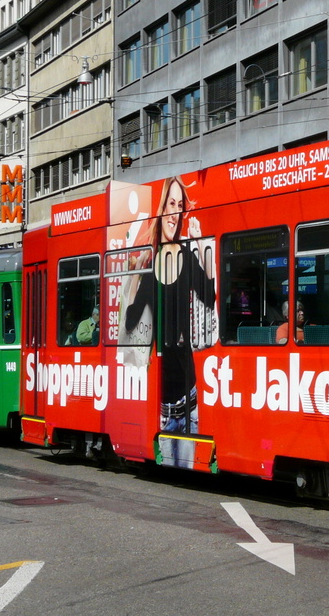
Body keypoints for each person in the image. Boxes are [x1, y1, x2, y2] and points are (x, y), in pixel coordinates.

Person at [124, 176, 216, 468]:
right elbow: (129, 321)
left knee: (189, 467)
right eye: (171, 203)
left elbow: (210, 296)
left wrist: (201, 246)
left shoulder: (188, 257)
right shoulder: (151, 265)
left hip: (189, 400)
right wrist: (135, 274)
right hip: (163, 407)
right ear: (161, 208)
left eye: (180, 205)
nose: (175, 212)